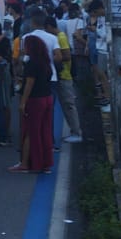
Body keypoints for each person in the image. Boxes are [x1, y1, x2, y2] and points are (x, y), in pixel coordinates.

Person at [12, 33, 54, 174]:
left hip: (35, 100)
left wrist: (23, 102)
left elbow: (29, 83)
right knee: (44, 131)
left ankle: (25, 163)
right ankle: (44, 162)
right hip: (47, 97)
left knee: (30, 132)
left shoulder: (31, 63)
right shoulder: (45, 61)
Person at [45, 15, 83, 144]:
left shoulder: (60, 37)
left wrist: (55, 57)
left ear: (49, 27)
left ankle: (76, 132)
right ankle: (75, 131)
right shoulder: (59, 37)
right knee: (66, 105)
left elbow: (66, 55)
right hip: (62, 75)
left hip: (64, 75)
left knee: (68, 104)